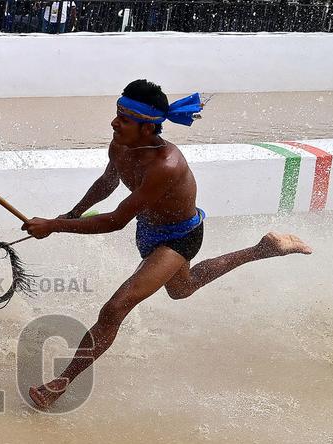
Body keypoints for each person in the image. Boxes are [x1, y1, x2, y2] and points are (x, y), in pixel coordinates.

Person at [21, 79, 313, 410]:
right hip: (149, 230)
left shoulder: (165, 165)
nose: (114, 123)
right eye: (117, 114)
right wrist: (72, 213)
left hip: (179, 237)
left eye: (125, 119)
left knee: (116, 308)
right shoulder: (120, 146)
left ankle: (58, 385)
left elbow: (116, 221)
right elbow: (107, 181)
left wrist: (55, 226)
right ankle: (263, 249)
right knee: (182, 289)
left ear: (147, 128)